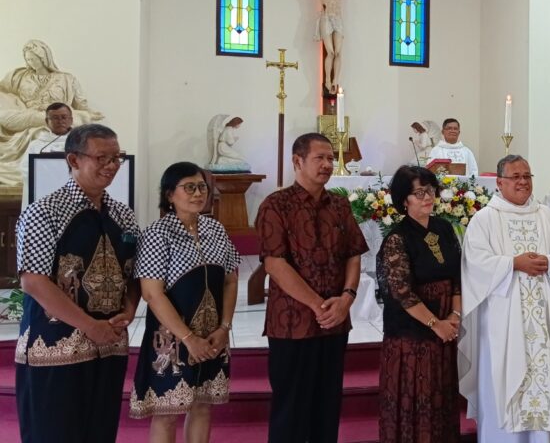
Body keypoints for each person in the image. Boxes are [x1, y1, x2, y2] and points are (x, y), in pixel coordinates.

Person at [14, 123, 139, 442]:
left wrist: (129, 310)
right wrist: (89, 325)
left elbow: (133, 274)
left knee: (100, 432)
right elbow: (33, 281)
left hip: (108, 346)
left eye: (117, 157)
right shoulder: (44, 212)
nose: (112, 165)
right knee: (53, 434)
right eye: (102, 158)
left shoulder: (123, 215)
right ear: (73, 159)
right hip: (56, 348)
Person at [256, 132, 368, 443]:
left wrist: (347, 298)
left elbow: (354, 253)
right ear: (297, 161)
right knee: (290, 409)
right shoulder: (276, 205)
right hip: (292, 323)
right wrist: (320, 305)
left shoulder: (340, 205)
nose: (327, 164)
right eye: (320, 158)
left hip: (335, 323)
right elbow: (275, 264)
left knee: (327, 406)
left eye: (331, 158)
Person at [459, 154, 550, 442]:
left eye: (527, 176)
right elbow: (475, 262)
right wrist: (513, 263)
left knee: (541, 382)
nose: (523, 182)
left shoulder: (546, 216)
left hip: (542, 321)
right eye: (515, 177)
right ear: (499, 183)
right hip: (502, 321)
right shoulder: (485, 219)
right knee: (501, 384)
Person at [129, 162, 240, 442]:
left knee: (202, 405)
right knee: (167, 411)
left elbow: (230, 280)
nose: (198, 193)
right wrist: (189, 339)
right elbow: (152, 294)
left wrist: (224, 327)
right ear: (169, 194)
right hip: (172, 339)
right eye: (189, 187)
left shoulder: (216, 229)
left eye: (202, 187)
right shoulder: (158, 234)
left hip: (212, 337)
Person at [377, 165, 462, 442]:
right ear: (404, 200)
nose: (428, 197)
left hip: (445, 331)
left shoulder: (444, 229)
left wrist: (455, 315)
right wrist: (436, 324)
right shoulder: (397, 238)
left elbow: (458, 276)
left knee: (441, 399)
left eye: (431, 191)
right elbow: (402, 293)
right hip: (412, 338)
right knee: (416, 401)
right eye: (420, 193)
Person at [0, 39, 103, 185]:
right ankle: (44, 119)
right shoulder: (19, 77)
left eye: (34, 59)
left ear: (44, 58)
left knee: (42, 132)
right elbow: (2, 92)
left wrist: (89, 114)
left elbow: (81, 104)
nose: (30, 63)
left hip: (55, 122)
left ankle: (49, 120)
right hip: (26, 117)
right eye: (28, 59)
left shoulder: (66, 79)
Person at [277, 0, 377, 93]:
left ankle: (336, 81)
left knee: (338, 53)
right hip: (326, 18)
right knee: (330, 52)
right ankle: (328, 81)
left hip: (338, 19)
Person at [19, 102, 74, 208]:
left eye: (64, 117)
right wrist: (46, 177)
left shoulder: (80, 143)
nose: (60, 121)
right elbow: (25, 168)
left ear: (71, 120)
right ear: (47, 121)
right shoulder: (37, 145)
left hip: (71, 194)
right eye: (55, 118)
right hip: (43, 194)